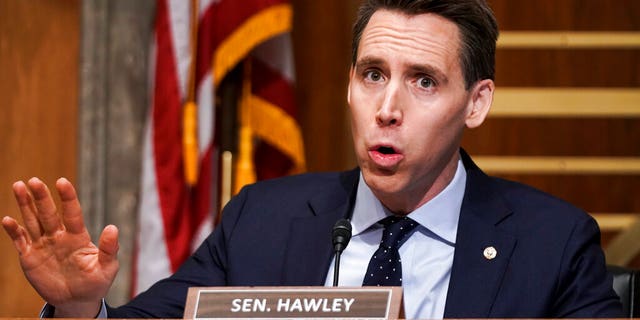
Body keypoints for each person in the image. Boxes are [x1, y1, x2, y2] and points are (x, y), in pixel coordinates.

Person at [2, 0, 624, 318]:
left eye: (424, 82)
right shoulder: (262, 219)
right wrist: (83, 310)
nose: (388, 107)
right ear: (349, 84)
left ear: (476, 103)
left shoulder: (554, 244)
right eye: (373, 73)